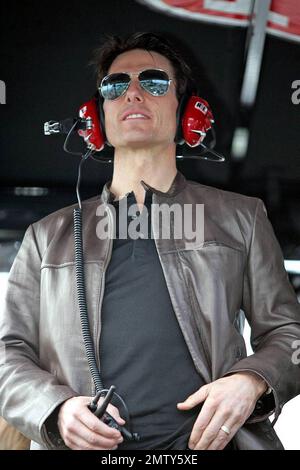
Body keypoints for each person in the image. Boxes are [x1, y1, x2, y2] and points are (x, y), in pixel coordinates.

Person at [0, 32, 300, 451]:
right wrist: (56, 407)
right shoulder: (45, 236)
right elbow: (9, 354)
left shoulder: (242, 217)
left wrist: (251, 380)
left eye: (155, 82)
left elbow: (289, 333)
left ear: (188, 112)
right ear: (97, 115)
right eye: (116, 85)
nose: (134, 93)